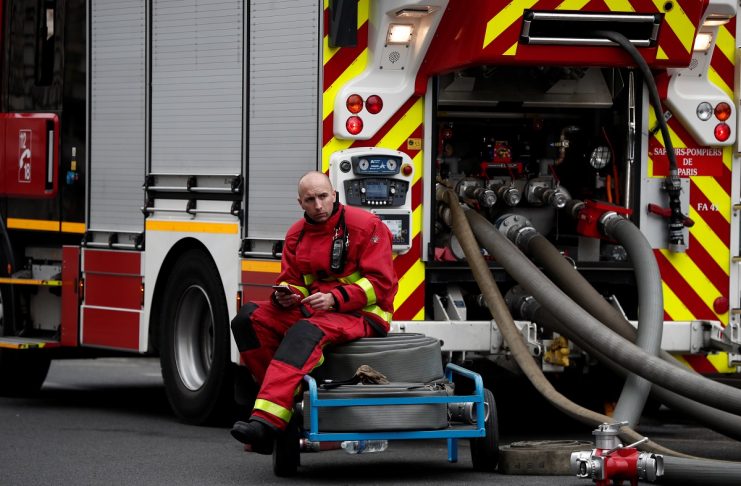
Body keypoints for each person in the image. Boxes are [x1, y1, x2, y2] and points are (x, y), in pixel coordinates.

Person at [229, 171, 398, 453]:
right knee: (247, 318)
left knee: (303, 331)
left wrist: (335, 299)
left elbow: (381, 284)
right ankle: (286, 402)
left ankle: (267, 422)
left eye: (323, 197)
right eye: (310, 199)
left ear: (334, 195)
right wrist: (288, 295)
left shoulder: (367, 226)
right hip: (316, 312)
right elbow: (294, 281)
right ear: (300, 203)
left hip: (364, 315)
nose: (318, 205)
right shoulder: (296, 234)